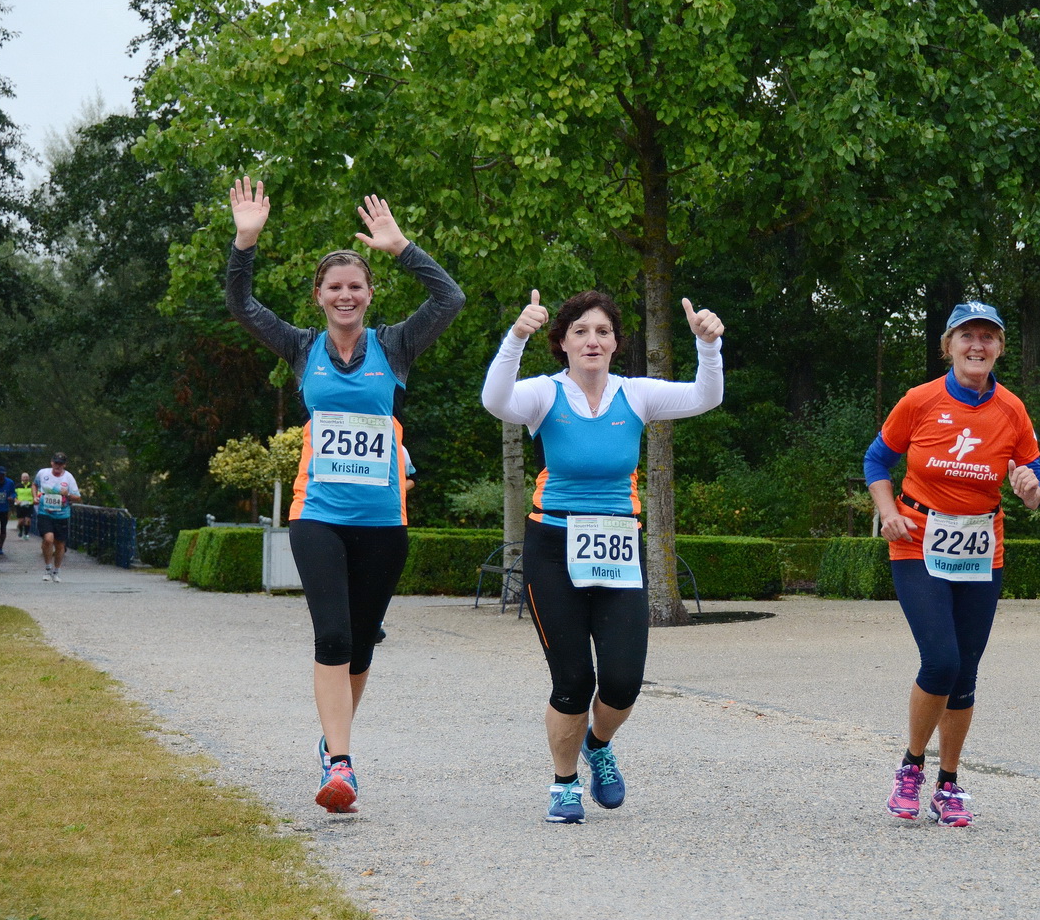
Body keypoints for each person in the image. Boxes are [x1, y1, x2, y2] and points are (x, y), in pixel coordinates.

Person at [226, 177, 465, 814]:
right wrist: (245, 242)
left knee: (360, 644)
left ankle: (334, 740)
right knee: (331, 637)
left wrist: (400, 246)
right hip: (319, 514)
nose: (346, 294)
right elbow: (242, 303)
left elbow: (450, 297)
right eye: (334, 287)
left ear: (368, 294)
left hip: (384, 520)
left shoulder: (396, 345)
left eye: (356, 285)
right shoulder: (302, 348)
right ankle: (341, 762)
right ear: (319, 297)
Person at [482, 288, 725, 824]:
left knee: (621, 682)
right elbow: (496, 401)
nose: (592, 341)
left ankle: (598, 744)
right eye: (580, 332)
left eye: (603, 332)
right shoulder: (544, 395)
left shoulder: (635, 394)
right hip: (552, 544)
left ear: (616, 344)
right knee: (573, 682)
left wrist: (708, 346)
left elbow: (705, 397)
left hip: (618, 546)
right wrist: (515, 336)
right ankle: (564, 783)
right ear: (562, 344)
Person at [866, 301, 1040, 827]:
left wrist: (1032, 489)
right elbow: (877, 459)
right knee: (941, 661)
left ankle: (948, 783)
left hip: (980, 550)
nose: (977, 345)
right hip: (918, 541)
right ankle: (911, 766)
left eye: (988, 337)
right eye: (966, 335)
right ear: (947, 346)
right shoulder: (919, 401)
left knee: (965, 673)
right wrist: (886, 511)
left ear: (999, 348)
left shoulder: (1012, 410)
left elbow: (1036, 480)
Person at [33, 454, 81, 582]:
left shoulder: (68, 477)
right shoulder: (43, 473)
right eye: (56, 463)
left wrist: (68, 494)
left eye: (61, 464)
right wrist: (34, 497)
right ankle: (48, 568)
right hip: (45, 512)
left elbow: (78, 497)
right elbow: (34, 485)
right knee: (48, 539)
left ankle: (57, 571)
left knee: (60, 545)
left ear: (64, 465)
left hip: (62, 514)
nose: (58, 466)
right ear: (51, 463)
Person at [13, 472, 33, 540]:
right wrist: (16, 500)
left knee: (28, 520)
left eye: (26, 477)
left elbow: (37, 493)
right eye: (24, 477)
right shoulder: (18, 486)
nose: (25, 479)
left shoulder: (32, 486)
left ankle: (26, 534)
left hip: (29, 505)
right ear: (21, 478)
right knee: (21, 521)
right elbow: (13, 495)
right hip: (20, 505)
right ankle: (21, 531)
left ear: (29, 478)